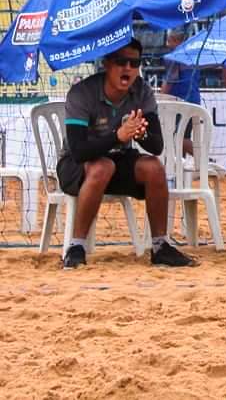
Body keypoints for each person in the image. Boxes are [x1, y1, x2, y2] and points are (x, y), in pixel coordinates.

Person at [57, 39, 195, 269]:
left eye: (134, 63)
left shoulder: (141, 91)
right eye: (121, 62)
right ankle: (76, 246)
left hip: (116, 161)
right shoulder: (82, 92)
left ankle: (161, 246)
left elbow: (157, 146)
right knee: (102, 166)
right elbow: (79, 151)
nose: (128, 68)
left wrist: (141, 134)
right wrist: (117, 136)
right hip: (74, 166)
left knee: (153, 166)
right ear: (107, 64)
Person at [160, 27, 201, 158]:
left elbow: (169, 82)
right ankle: (180, 167)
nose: (167, 44)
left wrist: (159, 99)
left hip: (181, 102)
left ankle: (205, 160)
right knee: (182, 135)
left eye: (169, 40)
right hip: (193, 100)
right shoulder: (192, 54)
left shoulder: (175, 57)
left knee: (179, 137)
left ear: (174, 40)